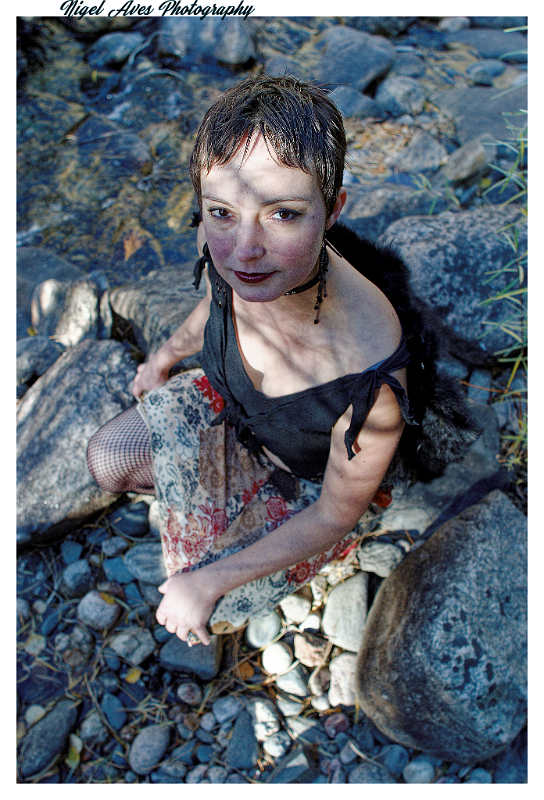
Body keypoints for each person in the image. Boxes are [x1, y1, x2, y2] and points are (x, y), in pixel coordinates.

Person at [87, 75, 475, 647]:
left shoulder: (370, 380)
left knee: (211, 602)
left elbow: (335, 514)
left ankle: (308, 558)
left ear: (333, 208)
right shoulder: (230, 250)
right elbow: (213, 301)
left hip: (308, 484)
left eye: (284, 214)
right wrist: (164, 358)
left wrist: (208, 581)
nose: (245, 250)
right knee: (108, 459)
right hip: (234, 409)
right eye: (221, 211)